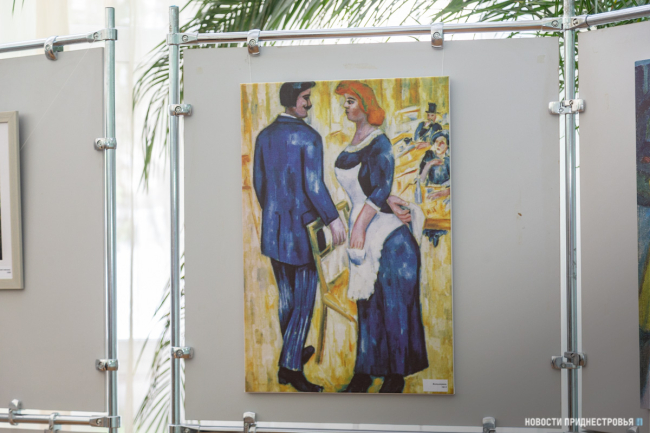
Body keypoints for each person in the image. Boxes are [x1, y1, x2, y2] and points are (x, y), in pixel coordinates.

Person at [333, 80, 428, 393]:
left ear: (365, 104)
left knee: (393, 306)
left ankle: (395, 376)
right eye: (345, 101)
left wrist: (359, 227)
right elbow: (371, 184)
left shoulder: (380, 141)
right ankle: (366, 372)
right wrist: (384, 203)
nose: (346, 106)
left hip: (390, 241)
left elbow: (381, 186)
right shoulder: (356, 141)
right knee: (369, 305)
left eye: (350, 101)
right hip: (365, 232)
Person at [253, 81, 347, 392]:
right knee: (304, 302)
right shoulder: (309, 137)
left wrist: (275, 212)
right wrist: (333, 220)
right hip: (303, 232)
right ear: (293, 100)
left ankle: (290, 354)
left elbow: (260, 185)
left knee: (287, 299)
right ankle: (291, 369)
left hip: (273, 230)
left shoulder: (264, 136)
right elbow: (314, 186)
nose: (309, 103)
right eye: (306, 98)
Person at [419, 130, 450, 247]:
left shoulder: (449, 161)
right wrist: (429, 164)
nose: (439, 145)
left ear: (447, 146)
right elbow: (421, 180)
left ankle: (437, 234)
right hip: (431, 195)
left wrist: (442, 193)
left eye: (442, 142)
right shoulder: (429, 157)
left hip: (444, 196)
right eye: (437, 141)